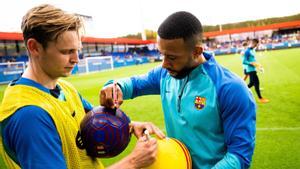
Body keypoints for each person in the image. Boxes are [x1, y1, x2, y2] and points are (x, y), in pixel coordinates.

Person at [0, 4, 165, 169]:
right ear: (34, 47)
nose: (76, 59)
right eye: (66, 52)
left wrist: (129, 124)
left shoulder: (65, 88)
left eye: (77, 50)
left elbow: (95, 117)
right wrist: (133, 161)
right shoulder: (29, 116)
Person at [100, 11, 256, 169]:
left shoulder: (231, 88)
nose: (164, 64)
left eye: (172, 57)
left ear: (196, 52)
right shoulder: (164, 74)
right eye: (162, 55)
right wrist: (116, 88)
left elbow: (239, 155)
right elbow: (135, 84)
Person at [243, 39, 269, 103]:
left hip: (253, 69)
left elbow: (253, 60)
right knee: (252, 83)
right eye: (256, 44)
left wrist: (259, 66)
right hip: (250, 70)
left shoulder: (252, 50)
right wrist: (251, 63)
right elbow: (244, 61)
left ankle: (260, 98)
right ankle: (241, 90)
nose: (256, 45)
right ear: (253, 43)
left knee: (256, 83)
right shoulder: (247, 51)